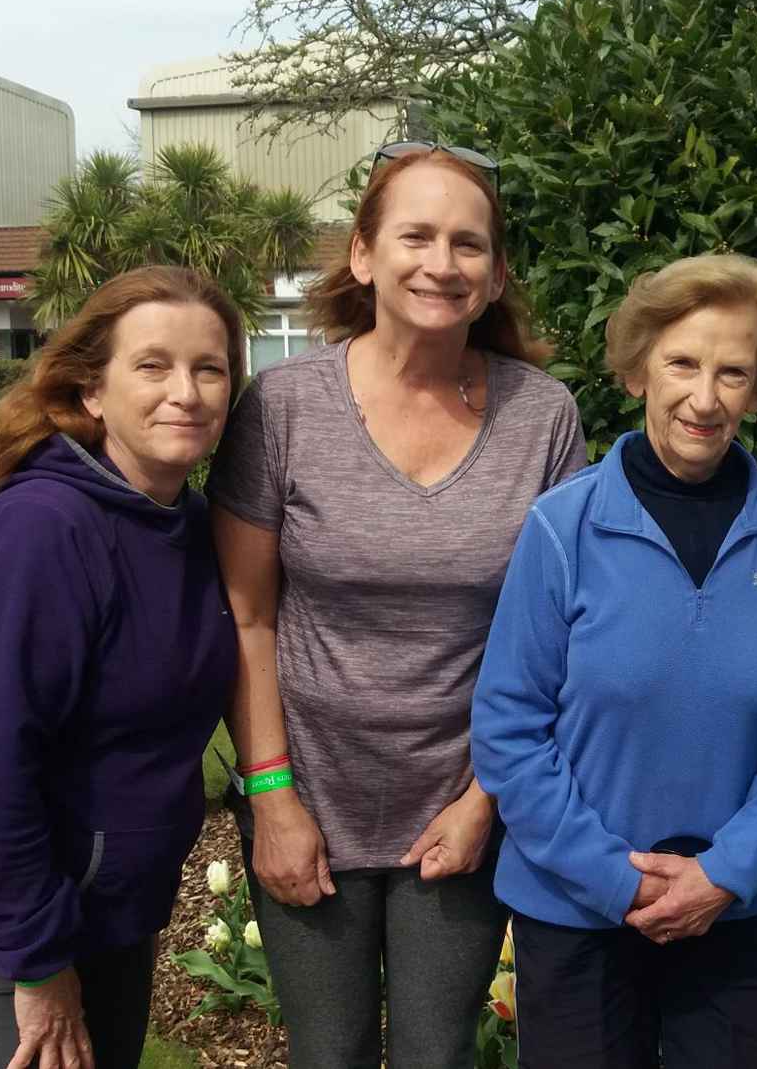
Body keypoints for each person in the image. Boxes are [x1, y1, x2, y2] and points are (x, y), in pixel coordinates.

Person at [208, 142, 586, 1068]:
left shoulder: (544, 417)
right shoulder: (284, 406)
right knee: (326, 1055)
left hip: (456, 803)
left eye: (468, 243)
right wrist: (273, 799)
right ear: (365, 254)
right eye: (416, 234)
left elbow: (559, 636)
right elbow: (246, 616)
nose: (441, 262)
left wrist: (487, 800)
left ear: (496, 276)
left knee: (436, 1053)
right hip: (310, 795)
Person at [0, 265, 246, 1069]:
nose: (186, 390)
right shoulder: (40, 531)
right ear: (92, 392)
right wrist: (37, 960)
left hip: (105, 916)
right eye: (152, 365)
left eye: (209, 368)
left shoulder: (185, 522)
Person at [471, 253, 757, 1069]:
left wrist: (728, 871)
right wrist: (617, 878)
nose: (705, 398)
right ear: (638, 370)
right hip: (575, 915)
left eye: (733, 371)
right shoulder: (564, 527)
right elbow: (508, 728)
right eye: (682, 362)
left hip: (728, 911)